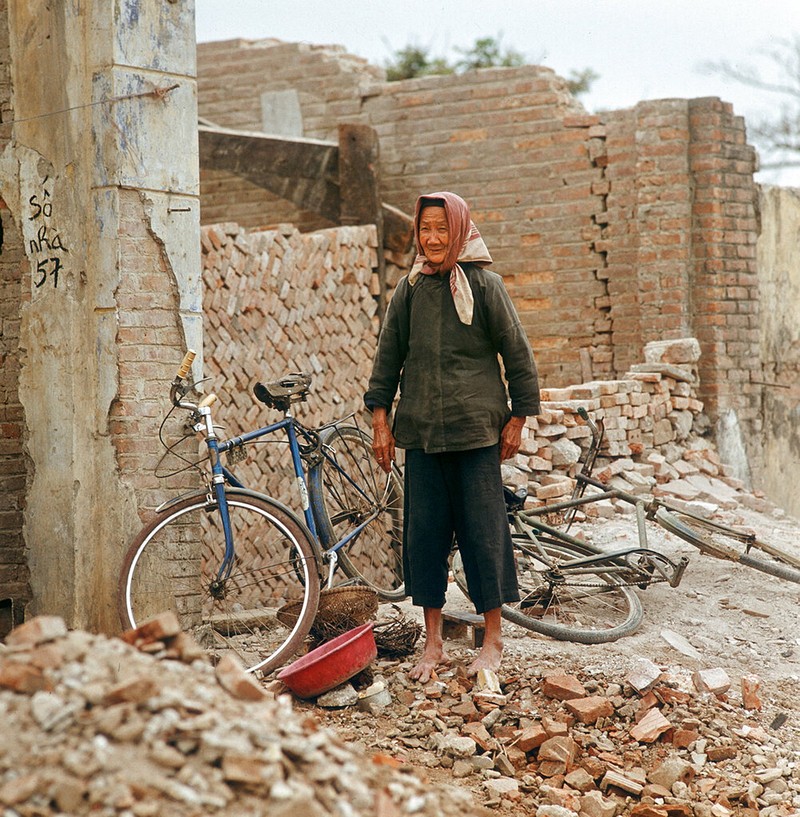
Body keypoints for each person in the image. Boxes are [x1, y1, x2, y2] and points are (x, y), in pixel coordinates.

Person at [364, 191, 540, 683]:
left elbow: (518, 354)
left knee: (485, 536)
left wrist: (518, 418)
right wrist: (381, 422)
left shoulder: (485, 285)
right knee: (425, 539)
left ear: (459, 230)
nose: (433, 238)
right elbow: (387, 360)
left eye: (442, 229)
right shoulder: (410, 289)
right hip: (420, 434)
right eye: (425, 230)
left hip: (475, 433)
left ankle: (492, 639)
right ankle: (434, 642)